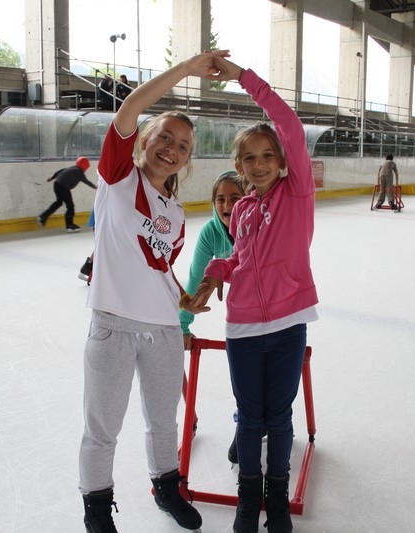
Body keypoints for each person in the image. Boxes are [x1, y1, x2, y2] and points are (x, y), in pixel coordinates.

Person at [78, 51, 228, 533]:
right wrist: (186, 70)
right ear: (145, 138)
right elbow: (128, 108)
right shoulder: (118, 176)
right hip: (114, 326)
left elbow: (160, 267)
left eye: (183, 145)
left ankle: (167, 488)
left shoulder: (178, 212)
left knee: (165, 421)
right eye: (165, 136)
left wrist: (186, 299)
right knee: (103, 430)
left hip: (164, 329)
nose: (172, 148)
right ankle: (98, 510)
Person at [190, 56, 319, 533]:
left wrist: (243, 78)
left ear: (283, 160)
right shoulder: (241, 210)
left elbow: (287, 122)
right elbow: (240, 260)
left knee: (279, 418)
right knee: (248, 417)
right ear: (238, 166)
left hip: (287, 323)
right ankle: (249, 502)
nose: (260, 164)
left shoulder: (297, 194)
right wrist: (213, 272)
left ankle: (277, 502)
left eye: (268, 156)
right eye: (250, 158)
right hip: (243, 326)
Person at [178, 170, 247, 464]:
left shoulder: (259, 225)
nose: (227, 205)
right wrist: (182, 324)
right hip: (242, 303)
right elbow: (195, 278)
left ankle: (261, 418)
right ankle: (250, 419)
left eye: (235, 198)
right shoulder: (211, 232)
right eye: (220, 199)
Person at [37, 156, 97, 232]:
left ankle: (43, 217)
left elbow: (59, 171)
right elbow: (86, 181)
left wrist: (52, 178)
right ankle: (70, 225)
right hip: (63, 187)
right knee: (70, 206)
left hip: (57, 184)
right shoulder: (79, 172)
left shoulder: (72, 168)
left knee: (58, 202)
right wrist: (96, 187)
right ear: (85, 166)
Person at [78, 208, 95, 284]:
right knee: (104, 246)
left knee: (104, 246)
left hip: (102, 218)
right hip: (102, 219)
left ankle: (88, 267)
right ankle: (89, 269)